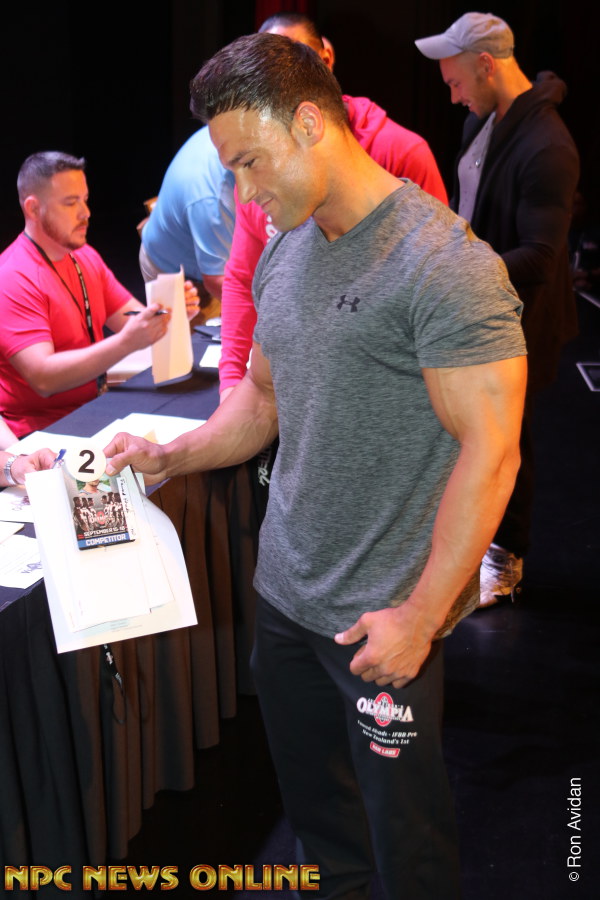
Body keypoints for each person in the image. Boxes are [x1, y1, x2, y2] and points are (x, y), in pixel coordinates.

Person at [105, 33, 527, 898]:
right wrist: (169, 456)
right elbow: (263, 399)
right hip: (286, 602)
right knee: (324, 832)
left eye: (250, 163)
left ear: (308, 123)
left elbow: (493, 455)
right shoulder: (288, 248)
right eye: (232, 170)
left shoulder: (447, 267)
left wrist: (420, 617)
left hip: (382, 620)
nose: (244, 192)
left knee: (409, 851)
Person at [415, 12, 580, 605]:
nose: (453, 96)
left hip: (524, 319)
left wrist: (459, 269)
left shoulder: (548, 147)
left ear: (486, 65)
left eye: (457, 82)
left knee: (509, 439)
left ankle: (506, 560)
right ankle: (468, 542)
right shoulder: (483, 122)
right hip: (479, 302)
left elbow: (541, 256)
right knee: (470, 431)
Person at [219, 12, 449, 398]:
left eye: (294, 62)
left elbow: (441, 290)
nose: (280, 84)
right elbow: (243, 279)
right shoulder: (257, 174)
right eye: (266, 74)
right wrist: (231, 382)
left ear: (325, 60)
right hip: (293, 387)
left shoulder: (401, 152)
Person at [0, 151, 200, 439]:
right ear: (33, 209)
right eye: (71, 203)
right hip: (40, 434)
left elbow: (133, 319)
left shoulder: (84, 256)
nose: (86, 213)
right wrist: (126, 342)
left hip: (93, 409)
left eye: (85, 199)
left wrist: (171, 313)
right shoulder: (12, 276)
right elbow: (43, 378)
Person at [139, 125, 235, 302]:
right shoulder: (212, 199)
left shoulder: (230, 131)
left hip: (211, 252)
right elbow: (217, 281)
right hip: (174, 273)